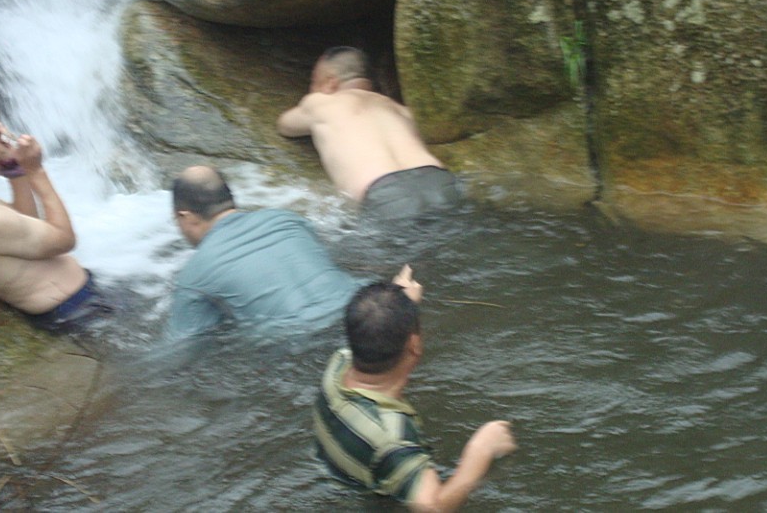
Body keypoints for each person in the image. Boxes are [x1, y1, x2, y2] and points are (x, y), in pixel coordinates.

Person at [313, 271, 518, 511]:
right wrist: (480, 452)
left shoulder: (337, 365)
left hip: (342, 474)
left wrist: (396, 304)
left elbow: (372, 330)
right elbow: (432, 508)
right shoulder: (392, 440)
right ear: (414, 345)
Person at [0, 100, 111, 331]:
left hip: (73, 306)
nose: (0, 147)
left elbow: (25, 226)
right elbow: (65, 239)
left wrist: (16, 171)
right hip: (78, 314)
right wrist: (36, 171)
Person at [167, 164, 379, 340]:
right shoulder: (288, 219)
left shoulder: (195, 273)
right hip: (362, 309)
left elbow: (180, 347)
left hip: (298, 337)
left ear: (187, 217)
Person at [277, 46, 462, 222]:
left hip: (385, 194)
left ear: (330, 82)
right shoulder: (399, 109)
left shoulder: (320, 103)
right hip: (440, 181)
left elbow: (285, 125)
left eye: (313, 81)